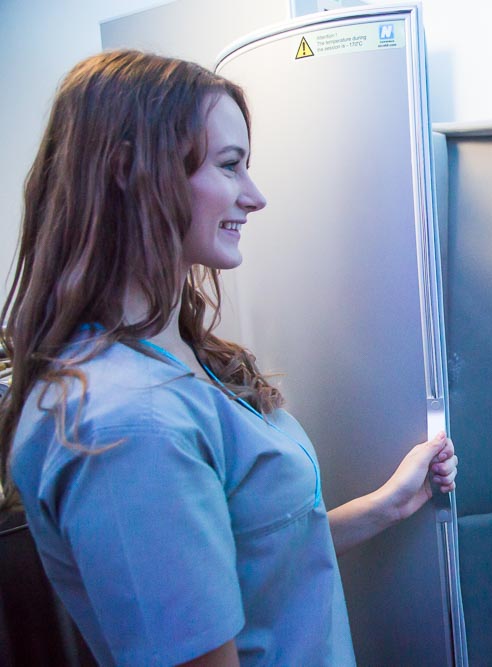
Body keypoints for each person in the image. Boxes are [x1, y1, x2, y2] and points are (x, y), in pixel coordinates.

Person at [0, 50, 457, 666]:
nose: (255, 196)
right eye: (230, 166)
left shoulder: (172, 353)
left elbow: (249, 556)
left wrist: (388, 505)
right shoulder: (131, 426)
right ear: (130, 170)